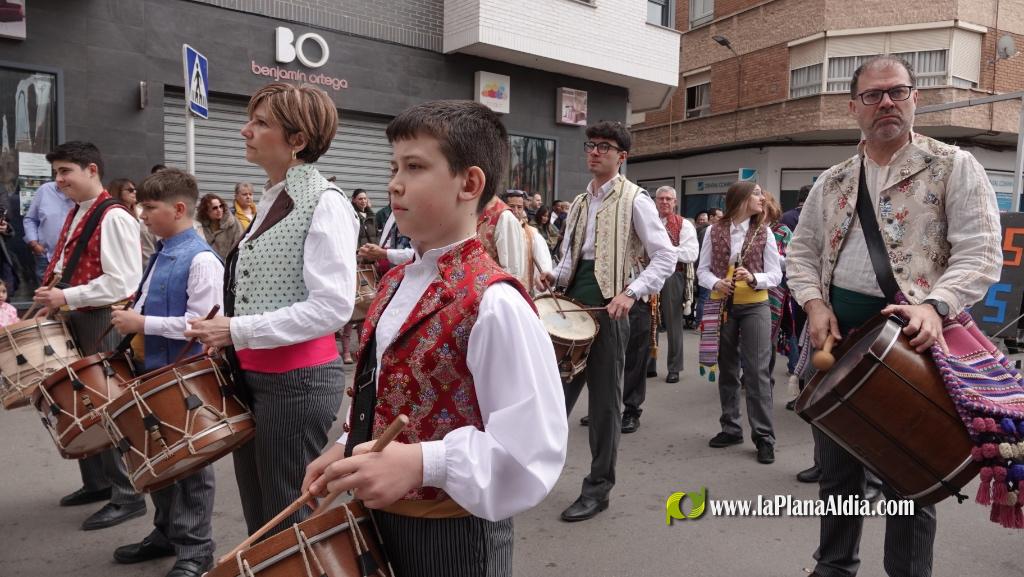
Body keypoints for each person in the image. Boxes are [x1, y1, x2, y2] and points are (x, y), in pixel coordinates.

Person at [303, 99, 567, 577]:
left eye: (415, 167)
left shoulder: (495, 303)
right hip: (378, 518)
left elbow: (531, 452)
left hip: (452, 535)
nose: (394, 183)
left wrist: (424, 464)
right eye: (394, 167)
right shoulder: (394, 283)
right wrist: (347, 443)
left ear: (469, 184)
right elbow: (384, 390)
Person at [786, 55, 1002, 577]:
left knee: (909, 478)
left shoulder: (953, 164)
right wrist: (814, 303)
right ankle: (834, 566)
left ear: (915, 98)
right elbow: (802, 252)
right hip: (837, 340)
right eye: (873, 94)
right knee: (837, 472)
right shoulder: (832, 180)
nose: (886, 102)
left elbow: (980, 252)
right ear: (853, 106)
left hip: (912, 343)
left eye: (897, 91)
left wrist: (934, 305)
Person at [185, 82, 357, 537]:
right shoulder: (273, 197)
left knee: (285, 521)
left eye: (261, 123)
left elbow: (333, 307)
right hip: (256, 376)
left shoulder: (325, 202)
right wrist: (224, 331)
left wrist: (235, 330)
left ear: (297, 140)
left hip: (297, 383)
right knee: (261, 516)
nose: (245, 130)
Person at [538, 121, 675, 522]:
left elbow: (665, 255)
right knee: (552, 399)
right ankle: (534, 475)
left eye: (604, 146)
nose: (595, 152)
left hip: (609, 313)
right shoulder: (581, 202)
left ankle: (598, 489)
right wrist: (554, 277)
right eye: (591, 145)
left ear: (621, 156)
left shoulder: (636, 199)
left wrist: (631, 292)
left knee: (603, 408)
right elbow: (571, 256)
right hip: (571, 308)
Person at [109, 168, 222, 577]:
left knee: (189, 464)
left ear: (177, 209)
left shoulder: (202, 259)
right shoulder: (163, 250)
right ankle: (167, 534)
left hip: (183, 375)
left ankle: (196, 550)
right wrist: (134, 311)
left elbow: (203, 324)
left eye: (149, 207)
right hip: (153, 371)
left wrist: (142, 323)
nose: (141, 214)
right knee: (159, 458)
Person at [35, 141, 146, 530]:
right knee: (81, 405)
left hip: (103, 319)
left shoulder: (113, 216)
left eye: (66, 171)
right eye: (56, 173)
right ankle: (98, 482)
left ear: (92, 170)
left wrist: (66, 296)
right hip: (80, 316)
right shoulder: (80, 211)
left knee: (106, 405)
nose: (59, 180)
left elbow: (123, 282)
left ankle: (128, 494)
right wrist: (55, 299)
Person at [696, 181, 782, 465]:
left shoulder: (765, 231)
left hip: (755, 305)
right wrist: (716, 282)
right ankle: (731, 427)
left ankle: (764, 437)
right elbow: (702, 271)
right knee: (728, 369)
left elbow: (776, 275)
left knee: (757, 371)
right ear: (742, 198)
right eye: (756, 193)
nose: (762, 198)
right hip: (722, 305)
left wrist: (755, 278)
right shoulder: (714, 230)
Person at [644, 186, 698, 387]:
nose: (664, 202)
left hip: (672, 275)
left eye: (668, 199)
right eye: (661, 199)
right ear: (655, 201)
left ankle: (674, 367)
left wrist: (664, 252)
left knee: (673, 321)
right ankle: (649, 364)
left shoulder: (684, 224)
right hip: (646, 274)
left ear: (675, 202)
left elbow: (690, 253)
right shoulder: (648, 221)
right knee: (648, 320)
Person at [23, 180, 75, 282]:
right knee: (44, 291)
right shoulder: (45, 190)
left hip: (72, 258)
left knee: (69, 291)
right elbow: (30, 219)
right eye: (58, 173)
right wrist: (34, 243)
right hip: (45, 256)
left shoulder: (84, 193)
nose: (60, 178)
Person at [110, 177, 156, 265]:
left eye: (135, 190)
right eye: (130, 190)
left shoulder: (138, 211)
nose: (134, 192)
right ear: (118, 191)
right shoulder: (114, 214)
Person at [196, 193, 243, 260]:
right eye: (215, 208)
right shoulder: (200, 226)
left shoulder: (233, 223)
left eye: (221, 206)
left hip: (228, 263)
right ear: (206, 211)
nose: (219, 210)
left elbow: (240, 245)